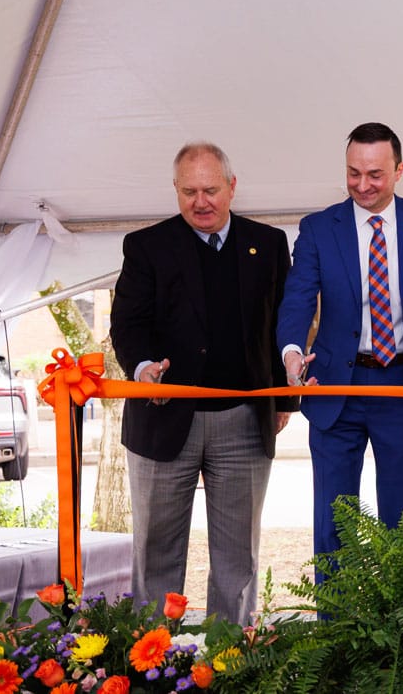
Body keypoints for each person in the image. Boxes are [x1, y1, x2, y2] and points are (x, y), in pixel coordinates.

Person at [110, 142, 293, 623]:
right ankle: (152, 666)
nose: (201, 201)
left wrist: (284, 397)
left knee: (238, 562)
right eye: (189, 191)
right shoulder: (146, 246)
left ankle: (229, 666)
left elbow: (281, 324)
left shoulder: (269, 243)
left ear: (232, 187)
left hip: (244, 423)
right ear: (175, 190)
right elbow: (127, 323)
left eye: (211, 189)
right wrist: (144, 367)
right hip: (162, 420)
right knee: (155, 557)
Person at [276, 122, 403, 574]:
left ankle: (398, 638)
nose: (362, 184)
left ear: (399, 170)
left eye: (374, 174)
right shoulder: (319, 228)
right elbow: (298, 297)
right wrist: (292, 351)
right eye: (353, 173)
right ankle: (336, 635)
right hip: (335, 389)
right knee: (334, 524)